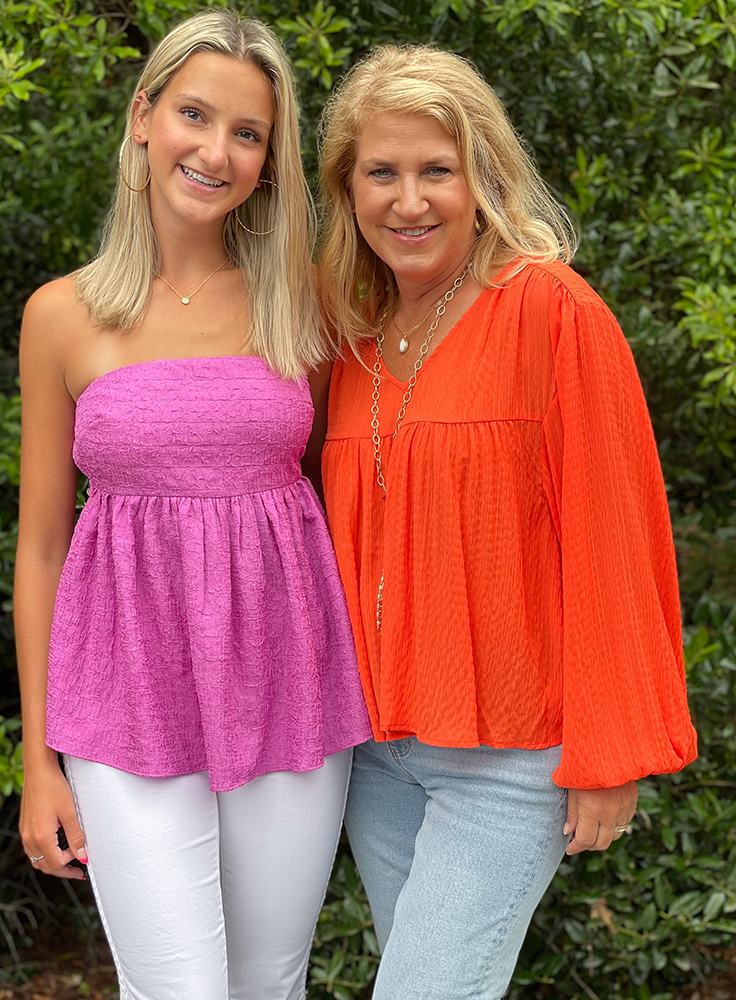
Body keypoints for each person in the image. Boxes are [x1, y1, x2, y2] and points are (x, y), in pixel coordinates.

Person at [317, 45, 697, 1000]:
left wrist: (610, 752)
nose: (409, 201)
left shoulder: (551, 311)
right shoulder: (351, 335)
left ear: (482, 176)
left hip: (510, 759)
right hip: (375, 755)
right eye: (382, 172)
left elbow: (617, 536)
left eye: (437, 170)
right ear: (347, 188)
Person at [14, 11, 370, 999]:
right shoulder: (61, 316)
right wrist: (38, 759)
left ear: (267, 162)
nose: (216, 151)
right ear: (144, 117)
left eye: (247, 133)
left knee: (267, 983)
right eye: (195, 116)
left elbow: (350, 487)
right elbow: (40, 547)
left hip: (287, 686)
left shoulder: (305, 301)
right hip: (121, 695)